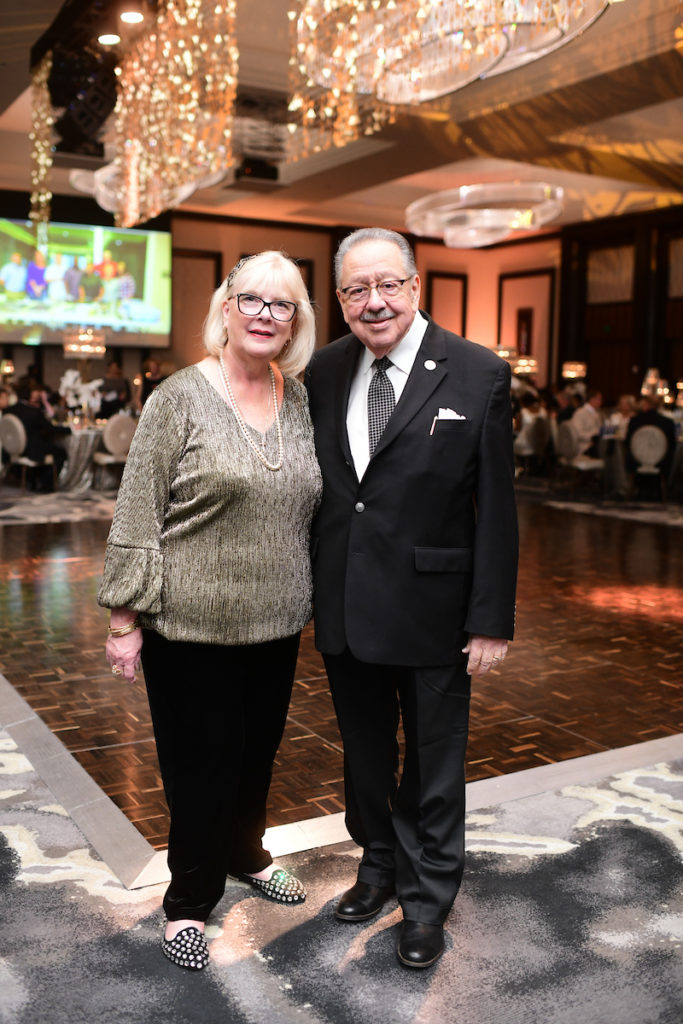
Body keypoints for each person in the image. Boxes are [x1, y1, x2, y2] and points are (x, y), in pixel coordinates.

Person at [97, 251, 321, 971]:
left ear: (294, 323)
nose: (263, 315)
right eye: (250, 300)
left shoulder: (301, 397)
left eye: (279, 305)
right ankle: (188, 900)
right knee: (201, 766)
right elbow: (138, 511)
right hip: (189, 627)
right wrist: (124, 621)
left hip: (277, 621)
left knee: (256, 754)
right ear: (225, 308)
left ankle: (247, 853)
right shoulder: (178, 398)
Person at [305, 228, 518, 970]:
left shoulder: (477, 373)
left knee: (432, 765)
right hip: (345, 608)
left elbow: (496, 507)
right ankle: (376, 867)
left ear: (415, 286)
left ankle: (427, 901)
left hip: (435, 613)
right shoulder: (322, 370)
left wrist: (489, 619)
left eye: (389, 284)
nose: (375, 302)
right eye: (357, 290)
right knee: (364, 760)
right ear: (339, 300)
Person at [10, 381, 69, 491]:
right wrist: (69, 430)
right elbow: (51, 428)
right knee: (61, 452)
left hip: (14, 447)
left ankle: (33, 479)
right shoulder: (33, 411)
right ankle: (46, 484)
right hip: (32, 449)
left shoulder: (11, 409)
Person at [570, 389, 603, 455]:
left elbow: (600, 430)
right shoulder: (580, 413)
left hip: (598, 444)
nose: (601, 401)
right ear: (592, 399)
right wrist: (593, 438)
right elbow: (578, 433)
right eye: (599, 399)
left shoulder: (597, 413)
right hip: (586, 446)